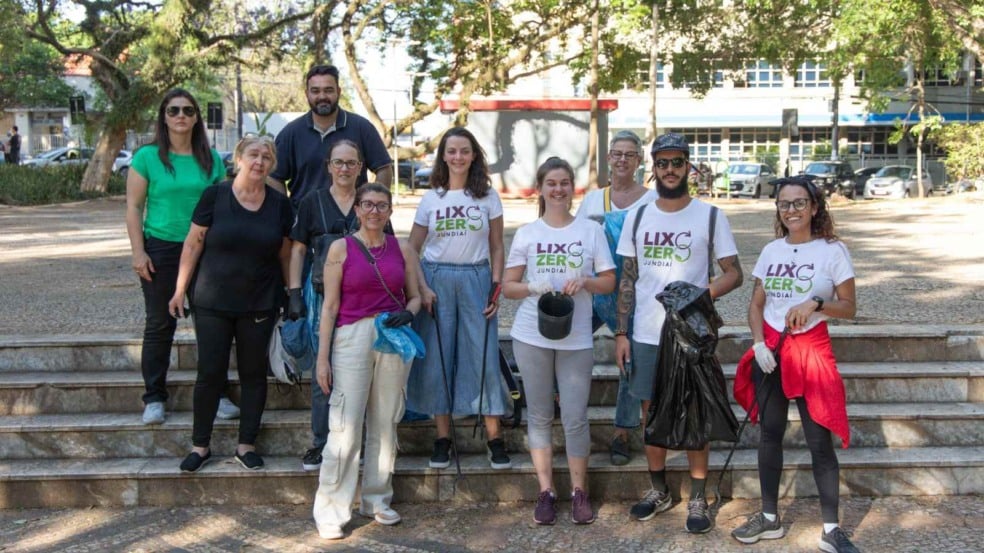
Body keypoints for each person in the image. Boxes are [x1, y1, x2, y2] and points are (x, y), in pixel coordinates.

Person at [614, 132, 743, 533]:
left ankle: (700, 496)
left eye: (677, 162)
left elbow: (734, 273)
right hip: (647, 334)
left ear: (689, 166)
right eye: (663, 163)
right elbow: (628, 280)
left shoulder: (709, 216)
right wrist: (621, 333)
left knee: (695, 411)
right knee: (649, 412)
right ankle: (659, 490)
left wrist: (699, 294)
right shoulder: (637, 216)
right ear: (653, 168)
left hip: (691, 335)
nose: (670, 169)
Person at [730, 176, 859, 553]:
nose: (792, 210)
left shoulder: (833, 250)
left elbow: (849, 308)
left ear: (815, 207)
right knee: (770, 435)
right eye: (785, 204)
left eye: (800, 203)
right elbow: (756, 305)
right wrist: (758, 344)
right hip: (771, 350)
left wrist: (815, 304)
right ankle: (770, 518)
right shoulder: (771, 250)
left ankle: (831, 529)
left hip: (811, 350)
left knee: (819, 441)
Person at [167, 134, 292, 472]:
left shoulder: (280, 203)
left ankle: (246, 446)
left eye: (267, 157)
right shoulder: (215, 195)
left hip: (260, 301)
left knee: (254, 375)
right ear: (238, 159)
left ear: (273, 164)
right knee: (210, 373)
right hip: (212, 300)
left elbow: (284, 252)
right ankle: (200, 446)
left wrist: (291, 293)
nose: (260, 161)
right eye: (253, 154)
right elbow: (193, 245)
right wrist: (179, 290)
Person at [503, 157, 616, 525]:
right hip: (531, 334)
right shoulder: (528, 233)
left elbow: (610, 281)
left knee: (574, 416)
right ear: (541, 188)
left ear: (573, 187)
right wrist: (533, 286)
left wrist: (585, 281)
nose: (558, 189)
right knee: (538, 414)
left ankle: (579, 491)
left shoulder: (590, 231)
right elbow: (509, 287)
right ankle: (546, 491)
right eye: (551, 183)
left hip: (577, 334)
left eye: (565, 182)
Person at [312, 183, 422, 539]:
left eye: (382, 205)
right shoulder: (340, 249)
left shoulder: (402, 248)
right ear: (357, 210)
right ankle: (332, 508)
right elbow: (329, 308)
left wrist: (409, 312)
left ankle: (376, 497)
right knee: (345, 426)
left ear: (390, 211)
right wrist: (322, 358)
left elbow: (416, 296)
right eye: (368, 205)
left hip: (391, 336)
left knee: (386, 421)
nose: (374, 211)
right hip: (352, 337)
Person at [124, 89, 239, 425]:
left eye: (188, 110)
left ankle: (216, 394)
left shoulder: (211, 159)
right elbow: (133, 207)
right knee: (160, 324)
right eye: (173, 110)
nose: (181, 116)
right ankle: (154, 397)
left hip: (206, 251)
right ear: (164, 115)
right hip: (161, 247)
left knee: (212, 326)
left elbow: (225, 205)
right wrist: (137, 251)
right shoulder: (147, 157)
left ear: (196, 117)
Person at [405, 127, 511, 471]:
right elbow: (412, 249)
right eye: (451, 151)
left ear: (474, 155)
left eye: (464, 151)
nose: (458, 157)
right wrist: (421, 287)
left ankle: (494, 436)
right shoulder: (431, 198)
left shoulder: (487, 197)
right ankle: (442, 438)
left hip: (476, 278)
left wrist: (496, 285)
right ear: (443, 156)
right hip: (436, 279)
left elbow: (497, 245)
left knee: (481, 355)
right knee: (437, 357)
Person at [287, 138, 394, 471]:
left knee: (364, 370)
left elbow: (387, 249)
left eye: (351, 163)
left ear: (360, 167)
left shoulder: (370, 203)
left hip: (364, 298)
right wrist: (292, 292)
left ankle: (358, 444)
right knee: (325, 369)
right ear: (328, 166)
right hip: (321, 295)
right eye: (339, 162)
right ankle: (322, 443)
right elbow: (299, 250)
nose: (345, 168)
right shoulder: (311, 202)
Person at [575, 130, 657, 466]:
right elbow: (576, 240)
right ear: (608, 157)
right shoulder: (594, 200)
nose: (622, 159)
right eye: (616, 153)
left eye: (629, 154)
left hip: (633, 293)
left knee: (629, 358)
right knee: (565, 334)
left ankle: (622, 432)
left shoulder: (652, 201)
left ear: (639, 161)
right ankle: (559, 403)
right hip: (596, 287)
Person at [270, 64, 393, 210]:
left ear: (339, 92)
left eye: (328, 90)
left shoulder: (362, 128)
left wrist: (373, 206)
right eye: (315, 91)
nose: (322, 96)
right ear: (307, 94)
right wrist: (287, 214)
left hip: (353, 225)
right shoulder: (291, 133)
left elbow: (384, 168)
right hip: (305, 225)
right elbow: (274, 176)